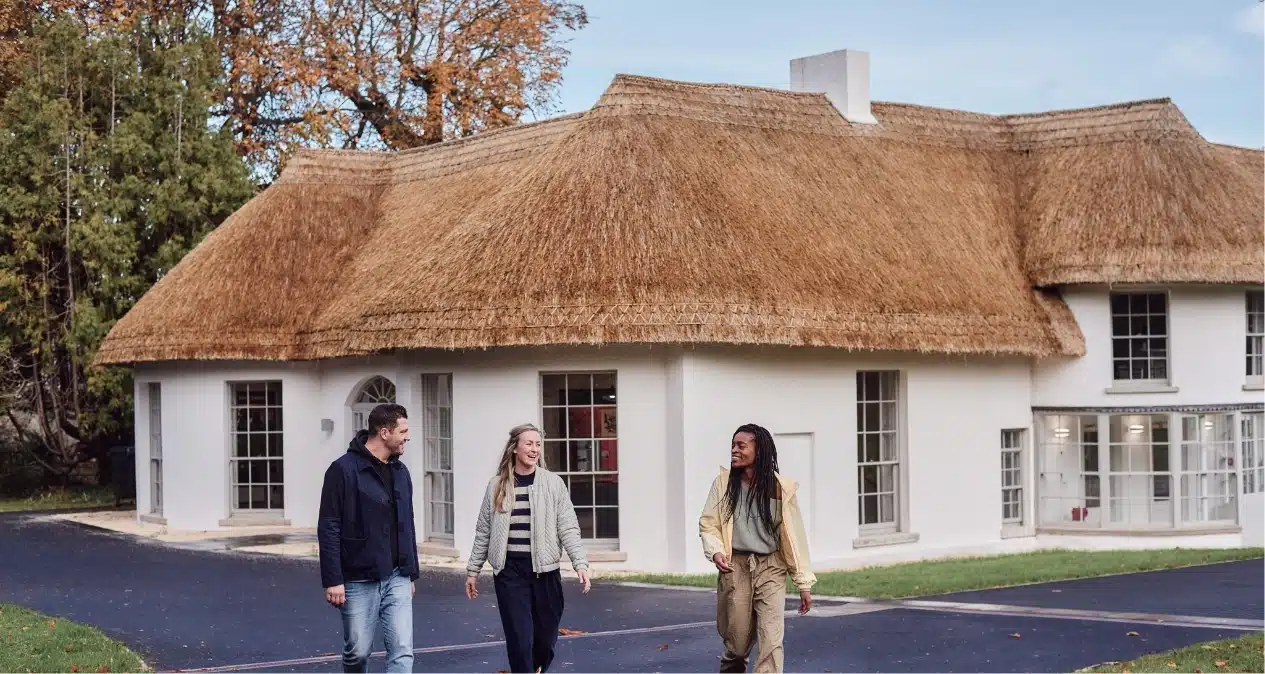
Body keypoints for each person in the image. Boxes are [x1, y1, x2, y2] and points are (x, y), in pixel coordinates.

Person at [465, 422, 592, 673]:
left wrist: (580, 563)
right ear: (515, 448)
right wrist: (473, 570)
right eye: (529, 444)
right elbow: (484, 530)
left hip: (545, 573)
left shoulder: (553, 484)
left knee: (545, 640)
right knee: (519, 639)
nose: (534, 449)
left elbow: (568, 527)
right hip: (510, 572)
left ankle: (535, 668)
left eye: (538, 444)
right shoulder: (496, 485)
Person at [699, 423, 816, 674]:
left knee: (771, 642)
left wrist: (803, 582)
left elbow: (794, 538)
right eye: (733, 445)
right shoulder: (723, 485)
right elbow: (709, 525)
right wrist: (716, 551)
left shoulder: (780, 489)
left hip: (772, 568)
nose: (734, 450)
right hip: (736, 567)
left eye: (741, 446)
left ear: (759, 451)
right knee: (737, 645)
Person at [318, 403, 420, 673]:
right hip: (357, 578)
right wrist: (333, 580)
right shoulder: (342, 470)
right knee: (358, 653)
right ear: (384, 433)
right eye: (404, 431)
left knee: (402, 650)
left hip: (397, 575)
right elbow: (328, 527)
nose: (408, 437)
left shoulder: (401, 472)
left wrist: (410, 572)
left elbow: (406, 524)